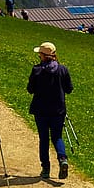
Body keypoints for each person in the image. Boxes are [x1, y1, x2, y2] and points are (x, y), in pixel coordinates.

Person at [27, 41, 73, 179]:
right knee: (57, 137)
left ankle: (46, 168)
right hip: (58, 110)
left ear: (42, 55)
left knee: (44, 138)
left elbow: (30, 89)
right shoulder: (62, 69)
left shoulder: (37, 70)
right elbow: (69, 89)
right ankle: (62, 159)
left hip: (41, 110)